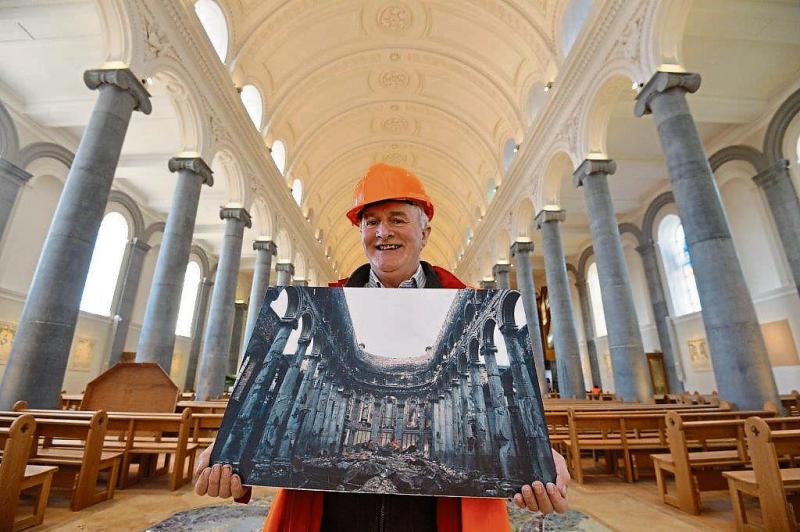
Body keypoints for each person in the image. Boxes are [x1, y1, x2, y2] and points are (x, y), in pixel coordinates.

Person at [194, 163, 570, 531]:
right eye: (370, 221)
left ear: (425, 232)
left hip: (438, 514)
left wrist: (533, 456)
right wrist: (234, 450)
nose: (382, 231)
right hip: (334, 510)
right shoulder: (328, 301)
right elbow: (281, 389)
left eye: (397, 219)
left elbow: (497, 387)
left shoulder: (470, 302)